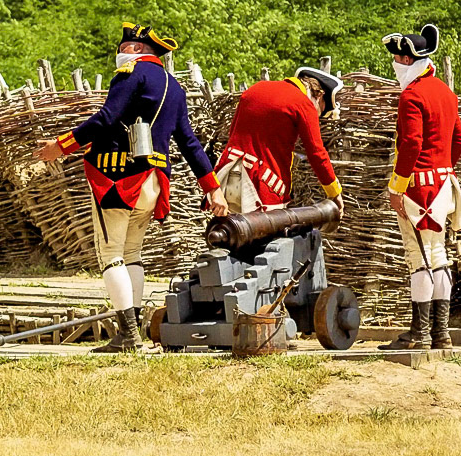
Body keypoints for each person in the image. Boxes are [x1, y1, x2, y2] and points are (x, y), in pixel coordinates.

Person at [35, 22, 227, 352]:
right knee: (132, 255)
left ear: (135, 49)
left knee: (111, 255)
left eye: (123, 47)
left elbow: (106, 118)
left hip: (118, 178)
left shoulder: (130, 74)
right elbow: (189, 142)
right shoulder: (174, 86)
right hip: (153, 183)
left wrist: (61, 145)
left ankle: (128, 337)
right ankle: (131, 333)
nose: (119, 52)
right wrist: (212, 186)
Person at [378, 23, 461, 350]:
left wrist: (397, 187)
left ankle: (419, 334)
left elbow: (412, 144)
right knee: (438, 256)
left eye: (397, 59)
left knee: (419, 258)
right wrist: (442, 168)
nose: (395, 65)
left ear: (408, 60)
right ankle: (440, 334)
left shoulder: (412, 95)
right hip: (443, 187)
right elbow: (460, 140)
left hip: (418, 189)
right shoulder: (446, 92)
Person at [214, 67, 345, 217]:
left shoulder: (256, 88)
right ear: (320, 96)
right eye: (320, 110)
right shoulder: (303, 104)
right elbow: (317, 153)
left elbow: (233, 131)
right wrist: (335, 193)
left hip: (227, 174)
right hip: (262, 186)